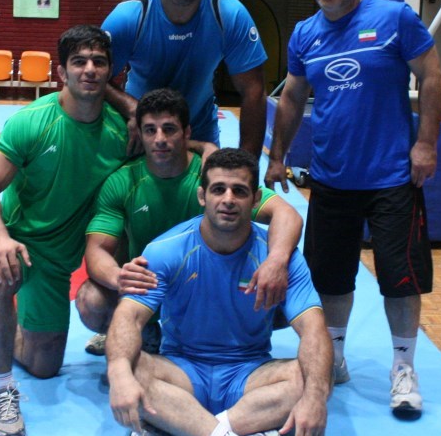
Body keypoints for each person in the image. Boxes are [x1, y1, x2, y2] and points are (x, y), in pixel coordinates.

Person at [265, 0, 441, 420]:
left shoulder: (394, 18)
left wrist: (426, 144)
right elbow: (292, 96)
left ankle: (403, 368)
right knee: (330, 275)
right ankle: (335, 357)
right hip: (331, 178)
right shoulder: (305, 34)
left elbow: (432, 76)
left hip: (392, 178)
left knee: (400, 278)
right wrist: (277, 156)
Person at [0, 25, 130, 436]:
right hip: (15, 242)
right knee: (0, 270)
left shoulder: (121, 133)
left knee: (45, 365)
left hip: (56, 263)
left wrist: (206, 150)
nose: (89, 69)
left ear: (110, 72)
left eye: (98, 62)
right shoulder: (33, 122)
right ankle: (2, 391)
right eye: (78, 62)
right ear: (61, 72)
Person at [106, 148, 331, 436]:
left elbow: (314, 330)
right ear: (202, 196)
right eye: (218, 189)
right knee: (131, 368)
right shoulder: (167, 249)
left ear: (255, 199)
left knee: (314, 377)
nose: (228, 199)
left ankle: (182, 433)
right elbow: (128, 317)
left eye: (239, 191)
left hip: (249, 375)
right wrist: (119, 373)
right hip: (183, 372)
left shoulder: (279, 259)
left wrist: (314, 396)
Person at [77, 88, 303, 354]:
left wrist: (275, 263)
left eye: (169, 129)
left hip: (206, 288)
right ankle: (144, 328)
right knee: (92, 301)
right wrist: (119, 279)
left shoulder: (213, 178)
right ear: (140, 134)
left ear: (186, 133)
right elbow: (97, 250)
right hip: (150, 286)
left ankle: (227, 333)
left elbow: (287, 214)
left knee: (289, 291)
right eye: (150, 130)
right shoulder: (122, 182)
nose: (159, 139)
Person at [100, 0, 268, 155]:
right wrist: (132, 109)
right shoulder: (129, 17)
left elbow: (254, 91)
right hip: (142, 133)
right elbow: (96, 79)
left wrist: (246, 165)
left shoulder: (229, 15)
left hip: (200, 132)